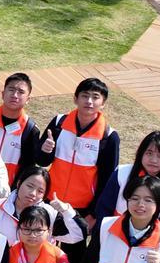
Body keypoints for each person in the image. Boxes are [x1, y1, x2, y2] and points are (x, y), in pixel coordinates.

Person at [44, 77, 120, 215]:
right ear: (75, 99)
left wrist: (93, 213)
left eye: (95, 97)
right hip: (50, 199)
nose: (89, 101)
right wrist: (45, 151)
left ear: (103, 103)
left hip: (82, 208)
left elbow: (107, 180)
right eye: (85, 96)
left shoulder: (109, 137)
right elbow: (41, 160)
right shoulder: (58, 123)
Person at [91, 130, 160, 223]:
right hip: (114, 233)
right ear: (141, 153)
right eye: (149, 153)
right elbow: (103, 209)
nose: (154, 160)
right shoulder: (122, 173)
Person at [0, 73, 53, 184]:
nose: (15, 95)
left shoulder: (30, 130)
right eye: (11, 90)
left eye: (21, 92)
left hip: (7, 192)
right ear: (3, 94)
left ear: (28, 99)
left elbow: (29, 166)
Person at [0, 166, 85, 247]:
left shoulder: (50, 214)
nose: (33, 193)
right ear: (19, 183)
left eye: (40, 191)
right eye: (29, 186)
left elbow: (78, 235)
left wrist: (66, 211)